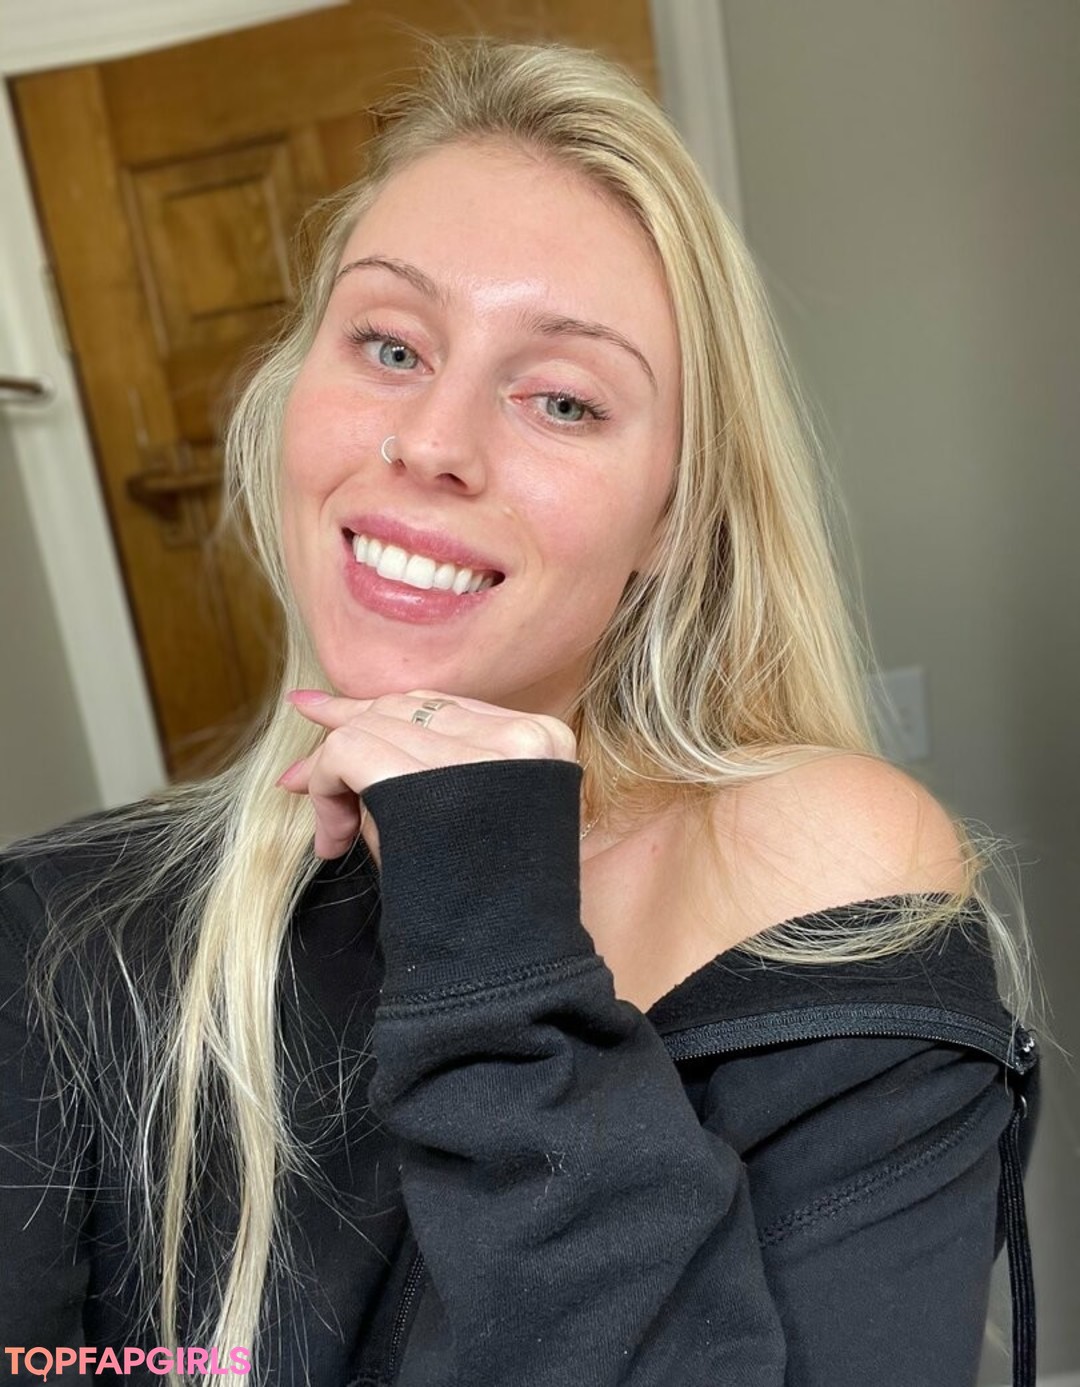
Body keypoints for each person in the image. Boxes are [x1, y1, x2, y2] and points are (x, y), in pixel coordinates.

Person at [0, 35, 1040, 1387]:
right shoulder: (56, 934)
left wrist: (490, 940)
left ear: (671, 517)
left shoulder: (821, 866)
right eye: (390, 344)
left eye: (562, 399)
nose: (433, 442)